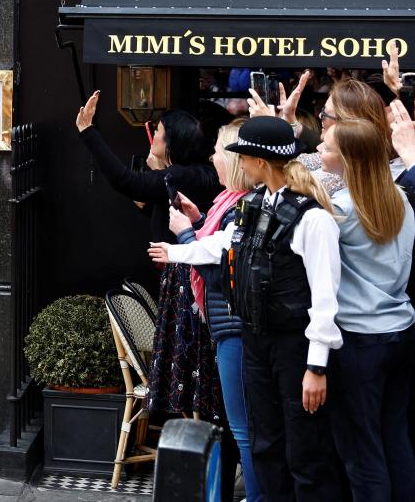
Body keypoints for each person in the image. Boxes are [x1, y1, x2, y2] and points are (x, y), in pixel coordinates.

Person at [149, 116, 342, 500]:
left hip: (293, 347)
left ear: (260, 162)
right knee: (264, 442)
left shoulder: (314, 218)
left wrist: (316, 366)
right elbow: (223, 244)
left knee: (304, 451)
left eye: (244, 156)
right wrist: (176, 252)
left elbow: (324, 298)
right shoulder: (255, 203)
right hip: (256, 339)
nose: (240, 162)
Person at [75, 93, 224, 421]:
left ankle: (194, 442)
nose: (153, 135)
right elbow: (150, 207)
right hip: (177, 277)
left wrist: (88, 131)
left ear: (170, 142)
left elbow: (126, 182)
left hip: (189, 281)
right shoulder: (183, 174)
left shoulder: (184, 176)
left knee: (191, 370)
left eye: (158, 132)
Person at [155, 120, 259, 499]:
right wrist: (198, 222)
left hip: (234, 329)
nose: (212, 155)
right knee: (239, 427)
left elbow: (221, 272)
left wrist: (184, 234)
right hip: (228, 328)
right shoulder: (228, 206)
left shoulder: (241, 210)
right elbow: (217, 248)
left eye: (218, 149)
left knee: (243, 429)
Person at [318, 119, 415, 500]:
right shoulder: (401, 201)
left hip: (359, 340)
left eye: (325, 147)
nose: (319, 152)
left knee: (363, 452)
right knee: (395, 439)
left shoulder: (338, 211)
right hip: (400, 330)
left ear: (348, 159)